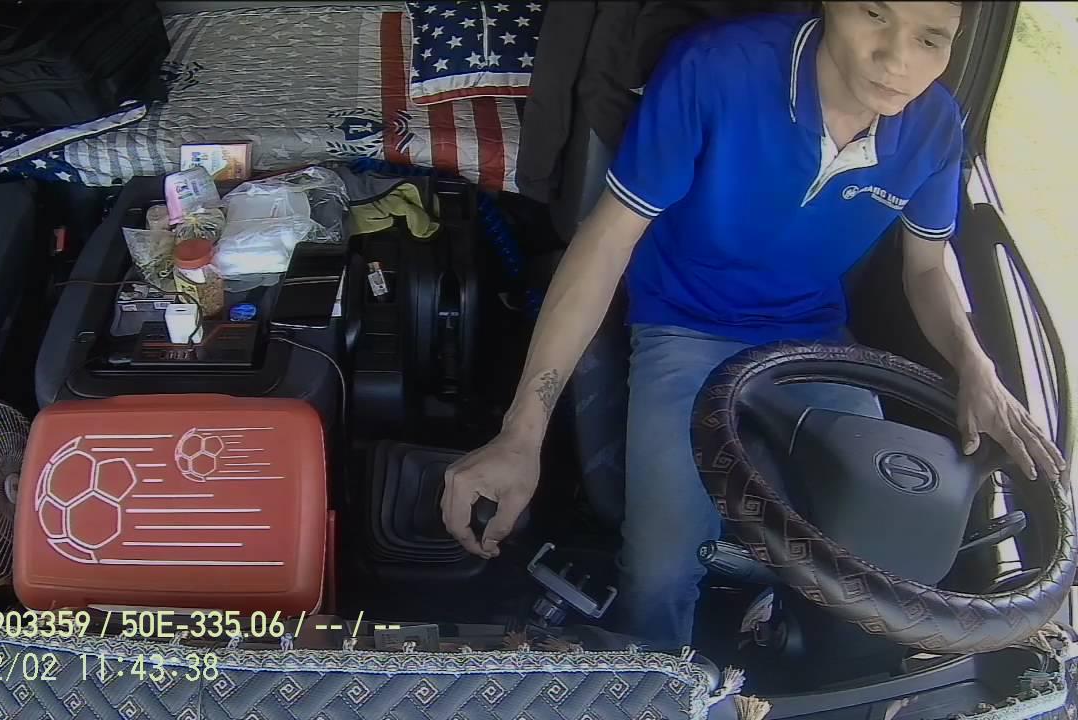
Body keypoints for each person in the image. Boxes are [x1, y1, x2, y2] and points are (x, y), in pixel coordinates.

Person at [442, 1, 1066, 650]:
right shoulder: (715, 70)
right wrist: (522, 433)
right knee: (660, 575)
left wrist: (976, 366)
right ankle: (660, 677)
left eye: (930, 39)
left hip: (816, 341)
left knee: (880, 558)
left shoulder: (936, 126)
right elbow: (605, 243)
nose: (897, 59)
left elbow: (928, 269)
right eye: (875, 14)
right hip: (684, 326)